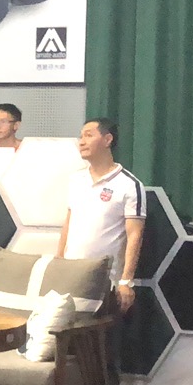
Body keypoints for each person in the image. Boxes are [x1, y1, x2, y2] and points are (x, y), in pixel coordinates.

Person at [57, 119, 145, 314]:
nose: (81, 141)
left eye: (88, 135)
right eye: (81, 136)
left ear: (107, 139)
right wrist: (59, 261)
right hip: (70, 274)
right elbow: (69, 222)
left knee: (95, 331)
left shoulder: (129, 185)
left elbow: (135, 235)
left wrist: (126, 281)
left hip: (104, 281)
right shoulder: (76, 179)